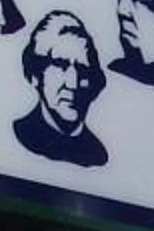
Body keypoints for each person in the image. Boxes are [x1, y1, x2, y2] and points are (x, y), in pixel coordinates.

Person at [12, 10, 108, 167]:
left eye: (82, 69)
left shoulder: (98, 155)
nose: (72, 83)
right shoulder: (21, 134)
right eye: (60, 65)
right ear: (35, 75)